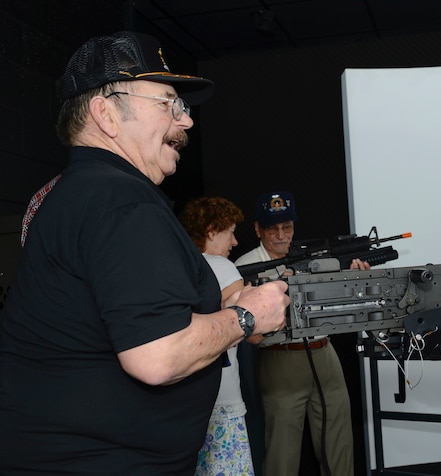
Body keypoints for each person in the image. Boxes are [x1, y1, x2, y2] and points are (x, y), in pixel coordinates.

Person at [0, 31, 288, 475]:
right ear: (107, 114)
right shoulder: (121, 202)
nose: (185, 122)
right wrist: (247, 316)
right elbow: (157, 357)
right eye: (167, 103)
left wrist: (215, 310)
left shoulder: (80, 194)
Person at [235, 191, 365, 476]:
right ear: (258, 229)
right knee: (282, 449)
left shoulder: (315, 257)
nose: (281, 235)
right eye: (272, 228)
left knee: (339, 443)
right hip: (280, 359)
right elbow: (242, 324)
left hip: (325, 353)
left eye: (287, 227)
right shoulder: (245, 266)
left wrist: (356, 279)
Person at [179, 196, 257, 475]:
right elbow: (248, 330)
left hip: (182, 404)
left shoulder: (176, 265)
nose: (235, 243)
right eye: (231, 232)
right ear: (211, 230)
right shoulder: (222, 267)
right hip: (222, 399)